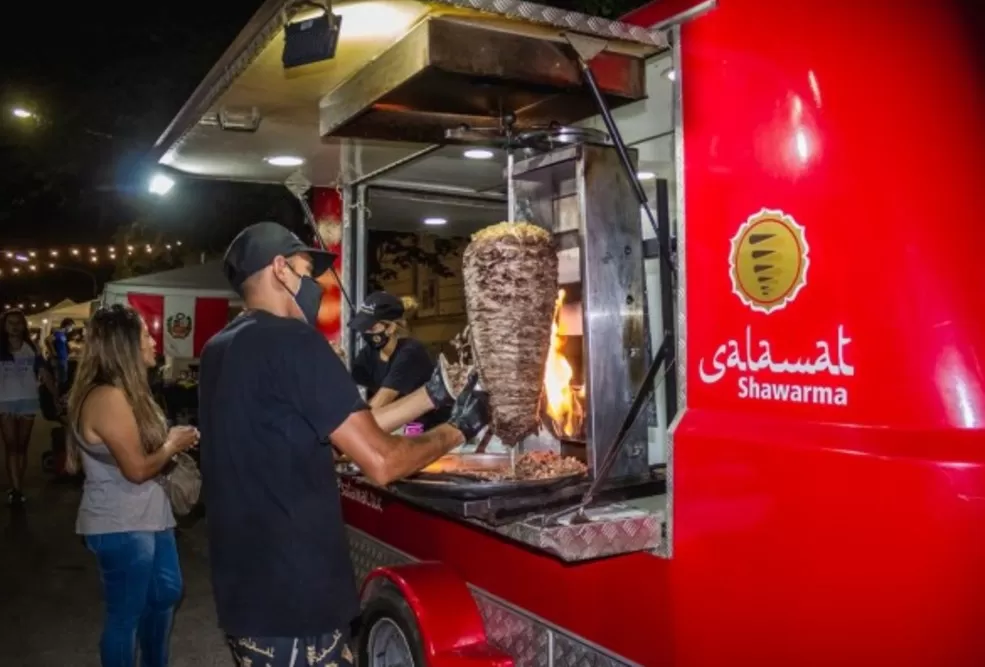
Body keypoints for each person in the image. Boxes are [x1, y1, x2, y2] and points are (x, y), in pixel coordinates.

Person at [198, 222, 490, 667]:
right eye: (305, 269)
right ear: (279, 269)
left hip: (246, 594)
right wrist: (459, 429)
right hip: (295, 600)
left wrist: (430, 397)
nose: (315, 284)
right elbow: (382, 460)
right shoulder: (294, 341)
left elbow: (341, 433)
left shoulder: (222, 348)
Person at [66, 305, 200, 667]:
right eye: (144, 333)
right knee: (125, 616)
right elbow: (138, 470)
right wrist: (172, 444)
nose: (153, 339)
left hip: (150, 516)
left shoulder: (126, 392)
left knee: (165, 595)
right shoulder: (107, 397)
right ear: (124, 344)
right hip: (121, 523)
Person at [350, 291, 448, 431]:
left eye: (371, 327)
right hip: (402, 430)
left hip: (432, 432)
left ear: (390, 328)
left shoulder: (411, 352)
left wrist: (351, 427)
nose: (365, 333)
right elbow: (349, 390)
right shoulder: (369, 353)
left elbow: (383, 400)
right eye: (363, 327)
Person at [0, 309, 58, 506]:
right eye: (10, 323)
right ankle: (16, 489)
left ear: (23, 325)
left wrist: (55, 395)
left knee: (22, 446)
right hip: (5, 402)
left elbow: (44, 372)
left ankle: (18, 485)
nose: (15, 326)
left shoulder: (31, 348)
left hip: (28, 400)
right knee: (11, 446)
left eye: (18, 322)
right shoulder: (1, 348)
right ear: (4, 326)